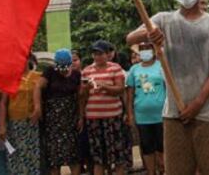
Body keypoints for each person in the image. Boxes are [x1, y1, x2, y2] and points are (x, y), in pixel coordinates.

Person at [126, 0, 209, 175]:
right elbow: (130, 38)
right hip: (173, 115)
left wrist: (198, 102)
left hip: (208, 113)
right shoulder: (163, 20)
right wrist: (150, 34)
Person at [80, 40, 130, 175]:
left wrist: (104, 86)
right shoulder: (86, 71)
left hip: (113, 117)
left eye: (100, 53)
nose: (97, 57)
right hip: (93, 118)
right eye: (95, 54)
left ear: (107, 54)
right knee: (98, 158)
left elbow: (120, 89)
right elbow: (82, 96)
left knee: (118, 155)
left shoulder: (115, 68)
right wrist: (86, 89)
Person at [36, 49, 82, 175]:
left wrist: (81, 117)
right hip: (53, 121)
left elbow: (80, 97)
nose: (63, 70)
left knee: (74, 155)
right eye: (60, 68)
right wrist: (38, 107)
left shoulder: (76, 75)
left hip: (70, 118)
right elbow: (38, 87)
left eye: (65, 68)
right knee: (54, 157)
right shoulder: (50, 72)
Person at [126, 41, 167, 175]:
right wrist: (130, 114)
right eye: (142, 49)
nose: (145, 51)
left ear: (154, 50)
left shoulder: (161, 66)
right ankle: (151, 172)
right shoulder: (134, 70)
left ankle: (164, 170)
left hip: (162, 114)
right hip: (142, 116)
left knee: (163, 146)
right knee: (147, 147)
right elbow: (130, 93)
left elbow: (168, 87)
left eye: (148, 48)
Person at [0, 54, 41, 175]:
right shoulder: (9, 78)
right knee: (15, 155)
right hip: (14, 125)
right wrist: (1, 125)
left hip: (32, 124)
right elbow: (3, 103)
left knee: (32, 156)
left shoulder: (38, 77)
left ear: (29, 60)